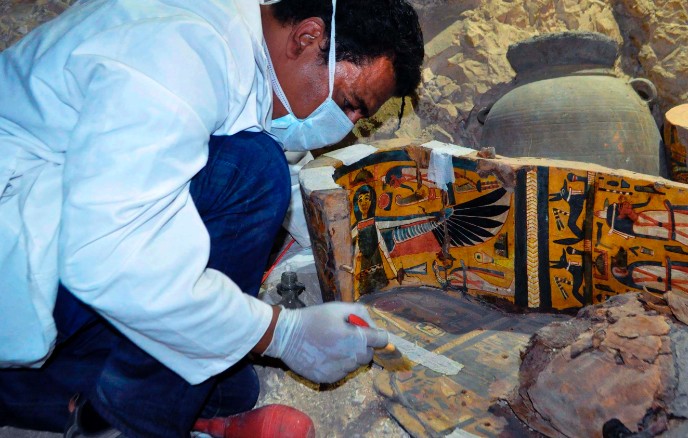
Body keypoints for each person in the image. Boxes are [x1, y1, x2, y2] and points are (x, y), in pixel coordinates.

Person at [0, 0, 424, 436]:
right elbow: (106, 256)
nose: (347, 123)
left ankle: (54, 396)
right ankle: (125, 422)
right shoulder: (178, 52)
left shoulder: (247, 48)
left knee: (228, 385)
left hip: (62, 246)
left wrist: (360, 245)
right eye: (350, 104)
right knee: (254, 172)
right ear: (308, 37)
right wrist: (281, 333)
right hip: (24, 243)